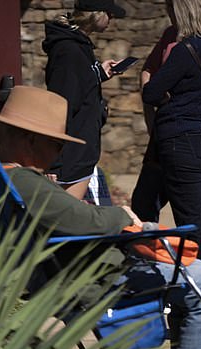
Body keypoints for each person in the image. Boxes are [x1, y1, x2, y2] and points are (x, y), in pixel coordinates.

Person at [0, 85, 201, 349]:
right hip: (99, 280)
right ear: (28, 139)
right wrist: (124, 216)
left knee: (193, 278)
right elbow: (84, 220)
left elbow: (67, 217)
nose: (58, 153)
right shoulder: (27, 183)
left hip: (67, 275)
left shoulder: (1, 177)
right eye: (56, 144)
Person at [131, 0, 201, 237]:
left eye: (173, 8)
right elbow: (148, 71)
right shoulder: (196, 40)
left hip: (182, 137)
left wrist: (196, 124)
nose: (169, 13)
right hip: (172, 137)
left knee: (191, 216)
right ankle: (149, 258)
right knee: (145, 204)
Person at [141, 0, 201, 263]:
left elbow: (151, 92)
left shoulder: (184, 50)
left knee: (190, 219)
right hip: (199, 135)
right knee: (199, 212)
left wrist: (166, 95)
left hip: (178, 138)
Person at [42, 0, 125, 200]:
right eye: (109, 13)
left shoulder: (78, 45)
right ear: (96, 14)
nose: (112, 17)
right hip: (71, 155)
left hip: (79, 151)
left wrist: (98, 74)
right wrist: (55, 162)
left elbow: (78, 85)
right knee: (64, 222)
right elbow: (62, 104)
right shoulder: (69, 51)